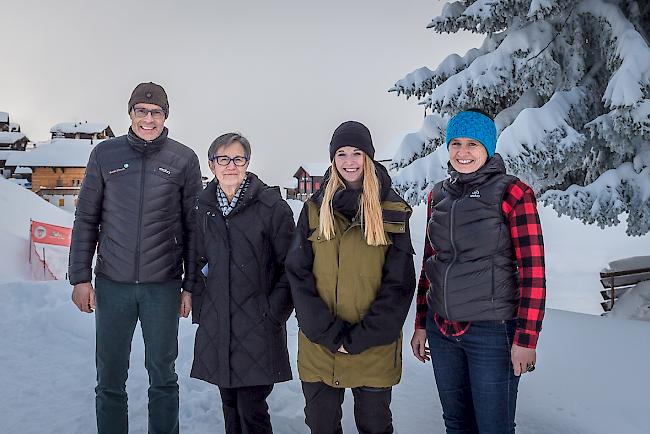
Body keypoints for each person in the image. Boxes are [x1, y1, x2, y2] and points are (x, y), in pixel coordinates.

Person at [69, 82, 203, 434]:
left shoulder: (183, 159)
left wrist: (190, 286)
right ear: (130, 113)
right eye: (141, 111)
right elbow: (86, 217)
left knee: (163, 375)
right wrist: (80, 277)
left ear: (165, 116)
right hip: (113, 283)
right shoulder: (105, 154)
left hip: (164, 285)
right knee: (110, 376)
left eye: (155, 112)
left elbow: (194, 227)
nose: (148, 118)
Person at [410, 108, 546, 433]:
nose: (463, 152)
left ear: (488, 147)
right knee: (456, 424)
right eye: (455, 143)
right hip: (442, 331)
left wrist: (526, 339)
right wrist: (420, 323)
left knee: (493, 426)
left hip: (492, 333)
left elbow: (533, 271)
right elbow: (432, 263)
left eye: (472, 143)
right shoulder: (438, 194)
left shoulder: (513, 192)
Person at [286, 121, 416, 434]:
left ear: (369, 157)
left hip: (373, 346)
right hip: (321, 345)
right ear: (333, 160)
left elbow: (399, 284)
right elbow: (298, 273)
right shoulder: (315, 209)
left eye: (357, 153)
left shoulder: (393, 211)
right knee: (322, 425)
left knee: (374, 426)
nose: (349, 161)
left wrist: (360, 338)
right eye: (341, 153)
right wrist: (329, 334)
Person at [189, 132, 295, 434]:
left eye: (238, 158)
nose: (231, 165)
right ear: (212, 165)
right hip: (219, 322)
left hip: (258, 324)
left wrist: (274, 312)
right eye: (223, 159)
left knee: (252, 410)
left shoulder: (271, 206)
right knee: (230, 404)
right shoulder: (203, 208)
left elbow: (292, 266)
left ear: (247, 163)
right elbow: (196, 259)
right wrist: (201, 306)